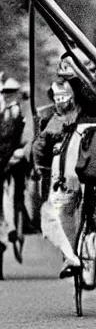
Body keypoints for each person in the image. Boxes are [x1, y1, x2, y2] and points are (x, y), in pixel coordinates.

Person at [38, 50, 96, 282]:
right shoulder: (72, 86)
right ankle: (70, 253)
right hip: (80, 137)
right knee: (66, 187)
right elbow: (64, 112)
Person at [0, 78, 27, 258]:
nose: (7, 95)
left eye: (10, 92)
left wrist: (20, 152)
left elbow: (28, 136)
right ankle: (9, 227)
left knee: (16, 194)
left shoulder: (22, 112)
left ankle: (16, 225)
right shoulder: (3, 113)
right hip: (2, 159)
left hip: (17, 159)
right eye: (5, 92)